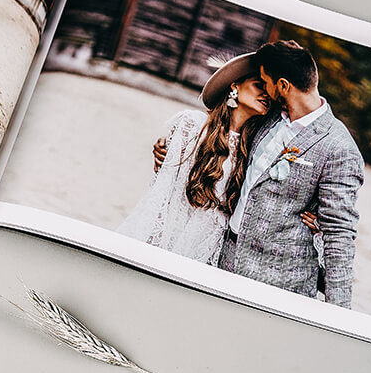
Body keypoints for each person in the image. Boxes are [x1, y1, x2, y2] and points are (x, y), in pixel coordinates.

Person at [119, 53, 316, 265]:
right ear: (235, 86)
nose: (266, 94)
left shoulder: (256, 150)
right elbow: (161, 199)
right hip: (165, 242)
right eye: (258, 85)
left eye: (268, 89)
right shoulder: (191, 125)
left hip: (205, 255)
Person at [217, 40, 364, 308]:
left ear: (283, 85)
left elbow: (340, 234)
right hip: (225, 261)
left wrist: (339, 312)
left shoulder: (339, 148)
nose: (264, 90)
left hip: (280, 282)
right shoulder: (267, 115)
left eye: (266, 83)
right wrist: (178, 142)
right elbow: (227, 125)